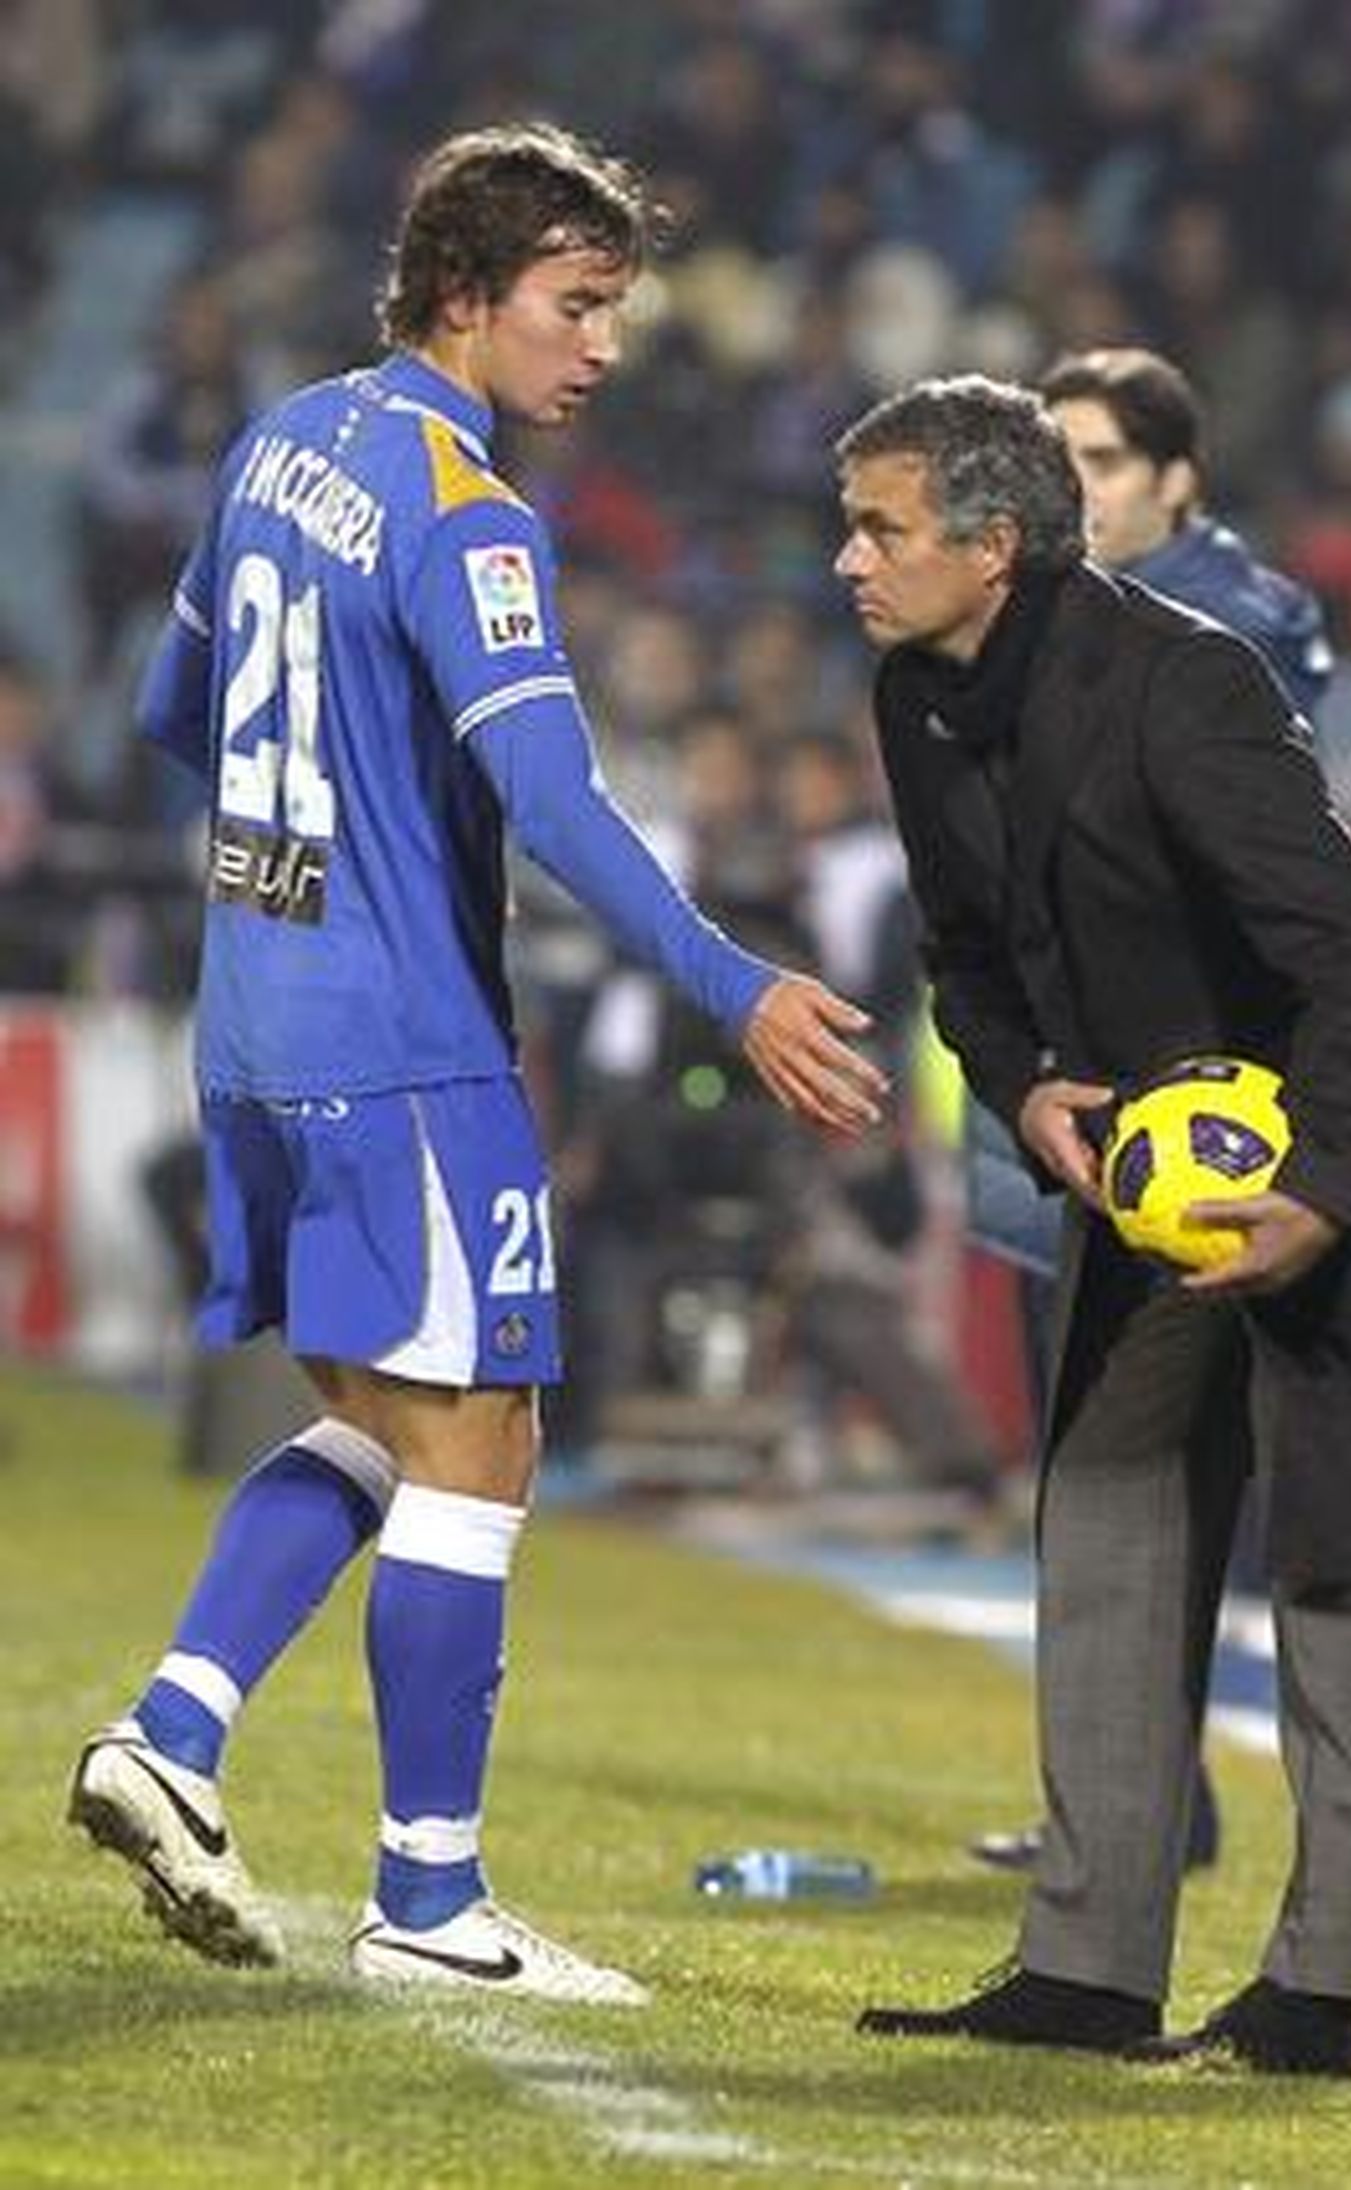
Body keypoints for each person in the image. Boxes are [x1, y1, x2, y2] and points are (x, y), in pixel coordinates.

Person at [67, 121, 886, 2005]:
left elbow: (168, 706)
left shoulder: (279, 439)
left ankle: (173, 1739)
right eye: (575, 306)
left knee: (378, 1410)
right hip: (406, 1040)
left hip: (257, 1019)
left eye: (618, 309)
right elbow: (552, 797)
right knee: (485, 1434)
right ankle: (429, 1902)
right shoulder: (464, 506)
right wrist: (730, 983)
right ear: (463, 296)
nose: (603, 346)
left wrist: (322, 828)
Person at [833, 374, 1351, 2076]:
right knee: (1108, 1516)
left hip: (1331, 1159)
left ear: (993, 545)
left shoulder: (1185, 686)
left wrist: (1318, 1199)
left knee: (1338, 1557)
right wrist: (1029, 1092)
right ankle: (1088, 1965)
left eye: (879, 527)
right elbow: (966, 958)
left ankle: (1318, 1993)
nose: (847, 561)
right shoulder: (915, 697)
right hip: (1144, 1169)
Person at [965, 344, 1333, 1877]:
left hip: (1194, 1109)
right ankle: (1134, 1801)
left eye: (1103, 463)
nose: (1077, 492)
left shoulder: (1225, 619)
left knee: (1156, 1474)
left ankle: (1139, 1810)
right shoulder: (1064, 618)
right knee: (1106, 1470)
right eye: (1058, 463)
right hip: (1087, 1095)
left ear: (1179, 480)